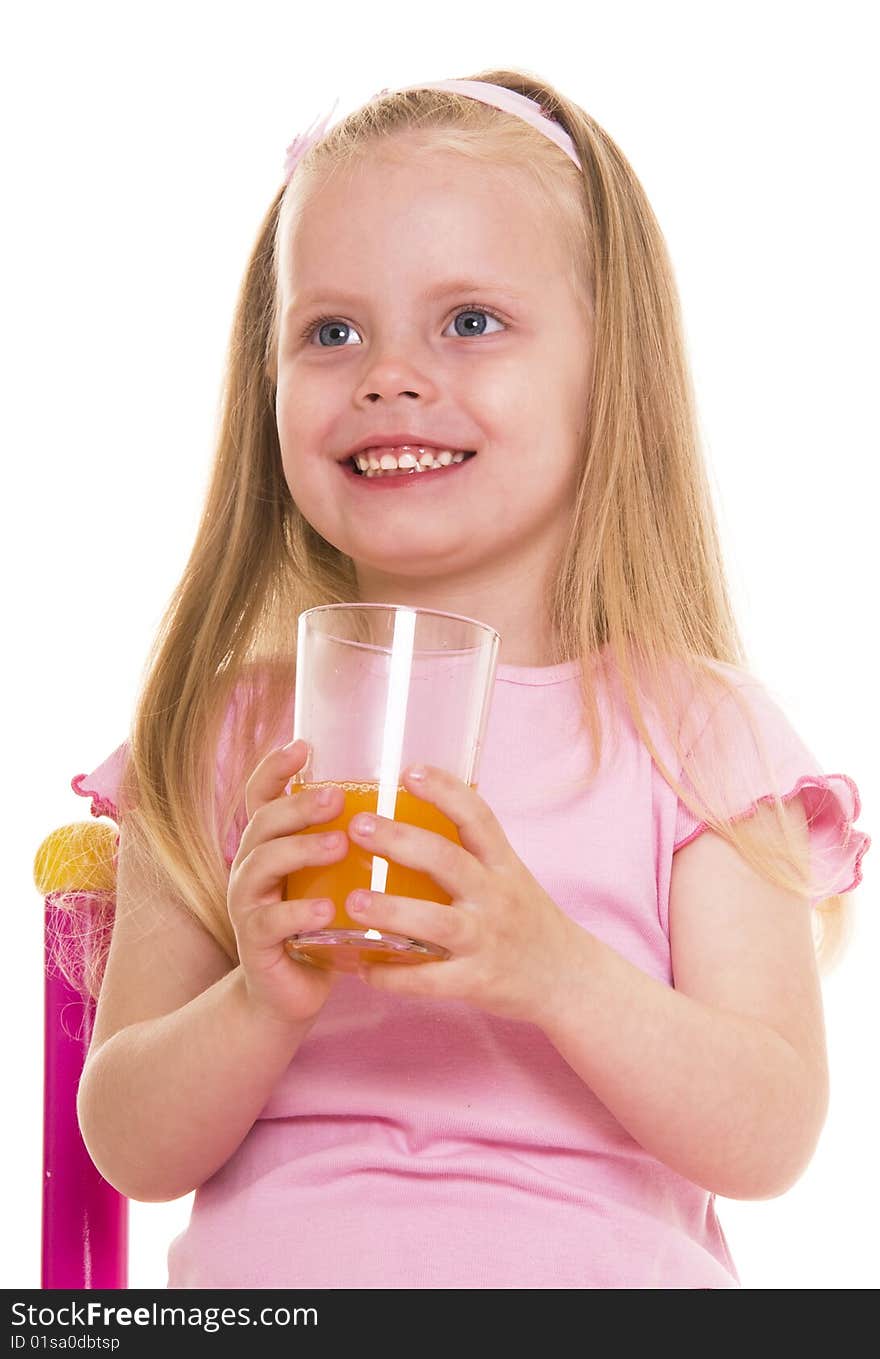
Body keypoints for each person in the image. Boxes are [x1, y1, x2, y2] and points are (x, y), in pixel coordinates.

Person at [69, 70, 870, 1290]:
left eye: (470, 322)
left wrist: (550, 967)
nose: (388, 375)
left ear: (613, 372)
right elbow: (128, 1145)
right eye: (331, 331)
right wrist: (259, 1001)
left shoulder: (695, 733)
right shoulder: (223, 737)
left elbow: (768, 1134)